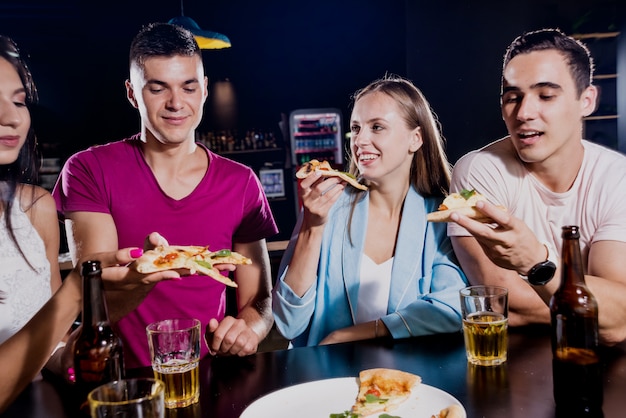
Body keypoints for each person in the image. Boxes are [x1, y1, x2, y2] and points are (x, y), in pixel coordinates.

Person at [53, 22, 278, 368]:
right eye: (158, 89)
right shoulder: (88, 169)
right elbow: (93, 303)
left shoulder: (241, 181)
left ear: (203, 90)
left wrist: (248, 328)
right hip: (118, 377)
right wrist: (148, 274)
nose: (176, 103)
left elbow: (259, 300)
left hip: (205, 375)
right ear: (132, 93)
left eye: (188, 87)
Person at [448, 28, 626, 345]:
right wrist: (595, 311)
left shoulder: (617, 177)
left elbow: (619, 318)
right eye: (512, 97)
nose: (524, 113)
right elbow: (503, 302)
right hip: (513, 360)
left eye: (546, 95)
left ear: (586, 100)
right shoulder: (479, 171)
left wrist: (534, 261)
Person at [272, 75, 468, 347]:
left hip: (408, 377)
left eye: (377, 127)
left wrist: (355, 333)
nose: (360, 140)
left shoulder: (441, 216)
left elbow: (453, 309)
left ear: (415, 139)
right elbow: (287, 322)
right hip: (327, 378)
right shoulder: (328, 207)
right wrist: (312, 227)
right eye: (356, 128)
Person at [0, 247, 179, 413]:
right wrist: (76, 288)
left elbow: (53, 341)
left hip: (45, 402)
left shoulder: (37, 213)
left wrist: (63, 358)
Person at [0, 35, 64, 360]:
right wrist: (77, 292)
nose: (11, 117)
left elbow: (54, 344)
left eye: (19, 101)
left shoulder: (36, 207)